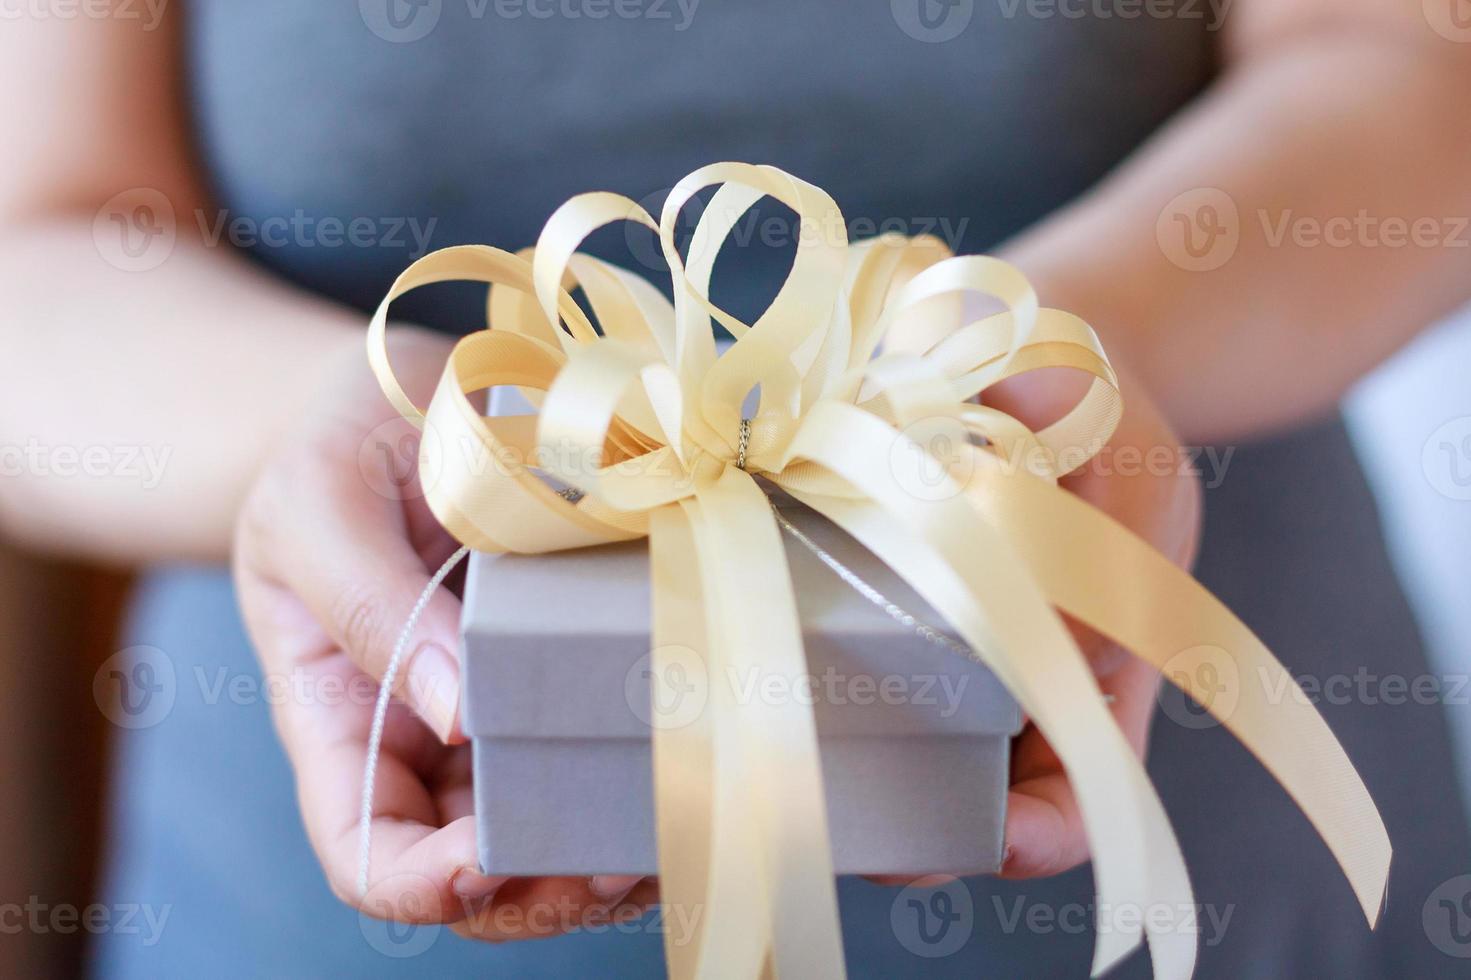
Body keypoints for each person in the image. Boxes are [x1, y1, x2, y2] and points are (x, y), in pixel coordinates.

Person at [2, 1, 1468, 976]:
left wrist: (1068, 350)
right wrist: (316, 425)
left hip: (1208, 870)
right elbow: (35, 243)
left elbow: (1416, 67)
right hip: (340, 848)